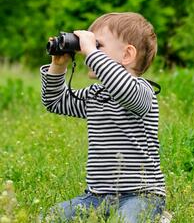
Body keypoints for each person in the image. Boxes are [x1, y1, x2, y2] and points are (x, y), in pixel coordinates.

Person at [40, 12, 166, 222]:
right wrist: (59, 65)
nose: (87, 52)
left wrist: (90, 51)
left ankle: (156, 216)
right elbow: (55, 102)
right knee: (51, 216)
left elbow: (123, 89)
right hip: (96, 197)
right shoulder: (95, 95)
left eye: (97, 45)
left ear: (127, 55)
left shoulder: (143, 91)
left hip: (141, 195)